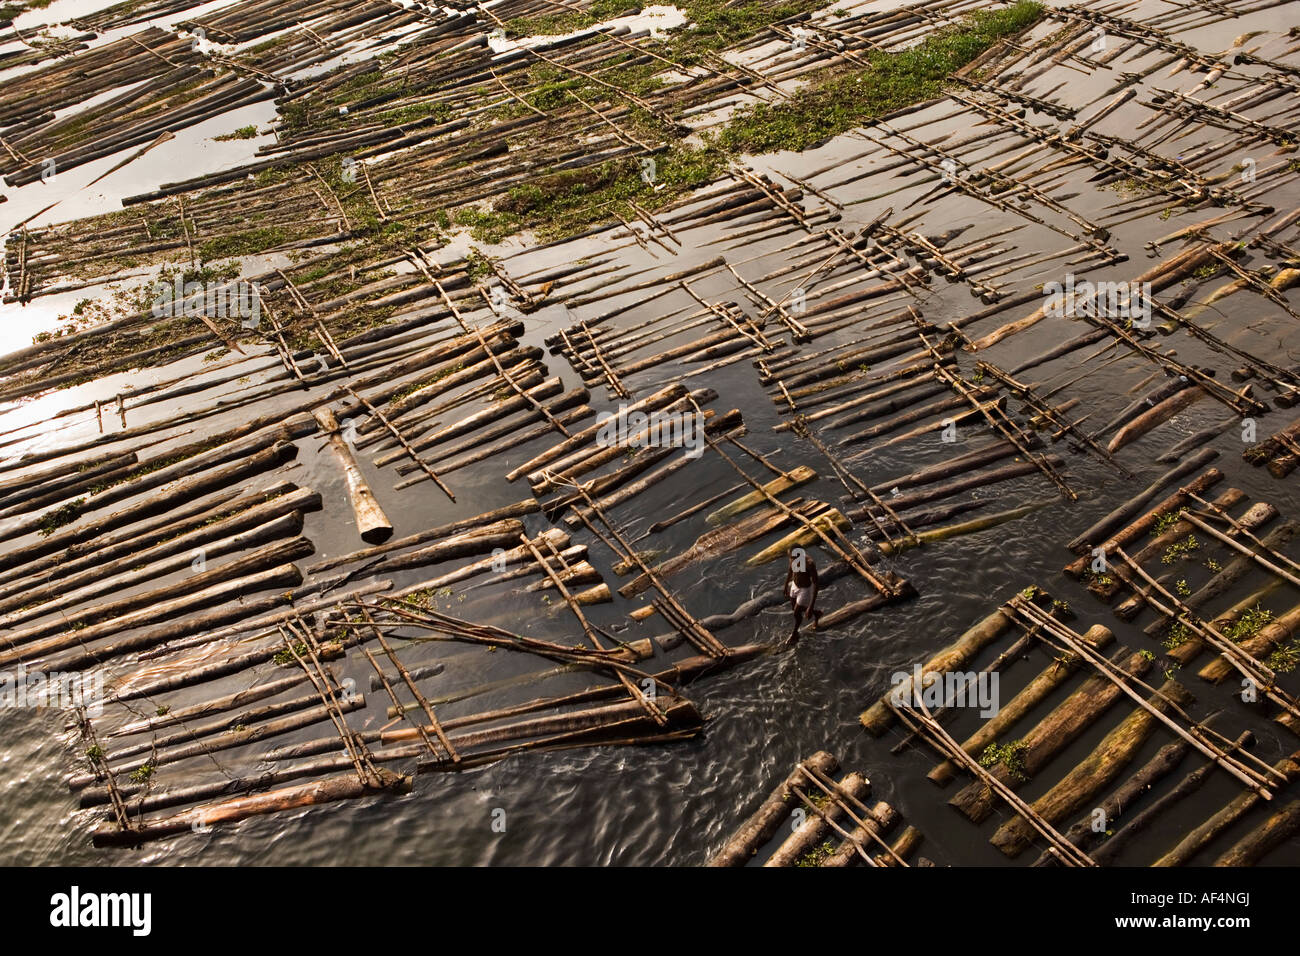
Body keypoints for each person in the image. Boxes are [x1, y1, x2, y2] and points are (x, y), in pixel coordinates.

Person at [784, 546, 821, 643]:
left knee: (796, 613)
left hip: (804, 589)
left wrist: (811, 606)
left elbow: (816, 584)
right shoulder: (792, 559)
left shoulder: (809, 564)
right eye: (790, 557)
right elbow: (790, 571)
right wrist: (785, 586)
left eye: (792, 557)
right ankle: (817, 613)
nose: (790, 559)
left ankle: (795, 634)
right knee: (795, 609)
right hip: (794, 585)